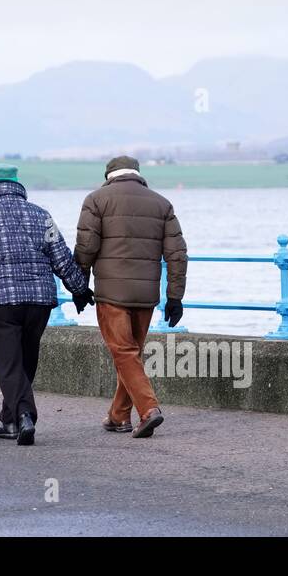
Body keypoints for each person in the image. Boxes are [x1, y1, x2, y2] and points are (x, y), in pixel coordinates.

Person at [0, 164, 93, 446]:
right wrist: (79, 289)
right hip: (38, 301)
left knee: (8, 363)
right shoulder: (41, 214)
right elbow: (60, 255)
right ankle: (9, 420)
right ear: (18, 186)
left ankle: (25, 415)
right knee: (25, 359)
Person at [74, 155, 187, 439]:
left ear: (109, 175)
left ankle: (148, 410)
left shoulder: (96, 200)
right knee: (130, 354)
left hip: (111, 293)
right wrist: (175, 297)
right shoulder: (161, 203)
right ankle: (118, 416)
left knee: (123, 353)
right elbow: (177, 255)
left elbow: (86, 248)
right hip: (146, 294)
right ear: (137, 174)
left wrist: (79, 285)